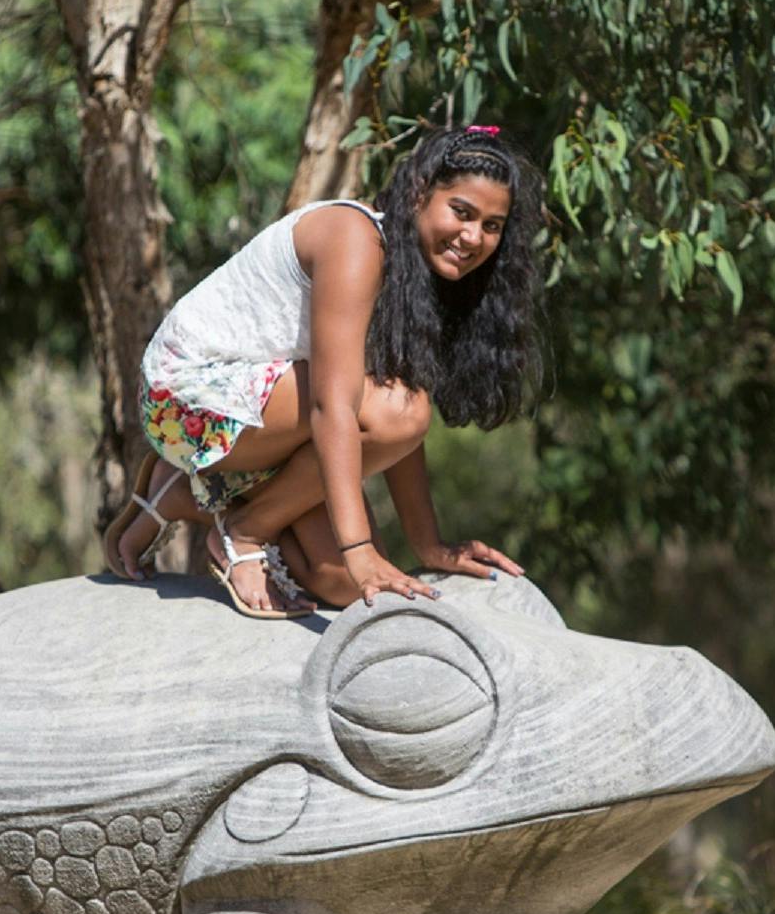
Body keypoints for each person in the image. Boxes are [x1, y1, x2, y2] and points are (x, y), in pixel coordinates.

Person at [102, 126, 541, 618]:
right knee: (401, 414)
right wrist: (360, 550)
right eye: (461, 212)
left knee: (339, 587)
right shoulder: (355, 240)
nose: (473, 236)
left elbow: (393, 431)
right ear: (419, 191)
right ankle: (242, 531)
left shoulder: (419, 275)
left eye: (492, 225)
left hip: (262, 405)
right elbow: (338, 406)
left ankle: (182, 492)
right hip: (183, 397)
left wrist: (429, 548)